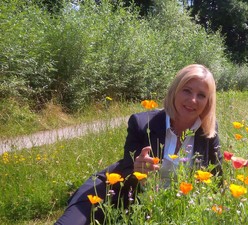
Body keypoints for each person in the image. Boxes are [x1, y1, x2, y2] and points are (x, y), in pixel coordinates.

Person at [55, 64, 223, 225]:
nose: (193, 100)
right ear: (174, 92)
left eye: (201, 95)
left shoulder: (208, 133)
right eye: (186, 90)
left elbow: (217, 178)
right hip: (120, 194)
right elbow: (126, 170)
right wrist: (137, 169)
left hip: (174, 208)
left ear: (208, 102)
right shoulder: (143, 123)